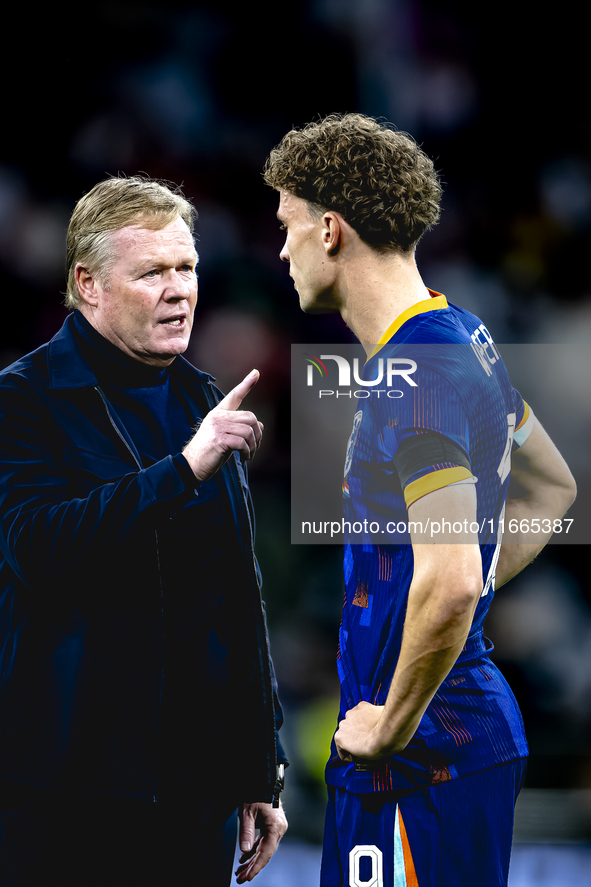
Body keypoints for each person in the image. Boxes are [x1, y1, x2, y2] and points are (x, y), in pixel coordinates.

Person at [264, 114, 576, 886]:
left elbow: (453, 577)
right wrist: (456, 583)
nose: (280, 249)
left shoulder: (415, 376)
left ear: (330, 229)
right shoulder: (457, 335)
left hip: (420, 757)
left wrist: (390, 721)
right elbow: (551, 485)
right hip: (436, 745)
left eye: (289, 225)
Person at [0, 175, 287, 886]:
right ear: (88, 284)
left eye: (186, 267)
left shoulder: (202, 395)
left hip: (194, 793)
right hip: (61, 786)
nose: (179, 289)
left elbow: (237, 596)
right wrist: (181, 470)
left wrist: (260, 764)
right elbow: (36, 546)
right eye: (152, 271)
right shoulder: (23, 396)